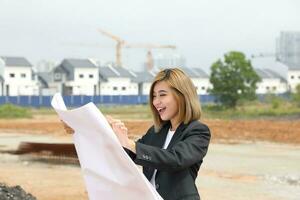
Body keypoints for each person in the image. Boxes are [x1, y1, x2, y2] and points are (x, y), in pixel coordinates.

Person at [63, 68, 211, 200]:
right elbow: (129, 154)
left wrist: (130, 143)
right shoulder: (156, 131)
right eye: (154, 96)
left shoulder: (198, 131)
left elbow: (175, 159)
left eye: (162, 95)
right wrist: (89, 127)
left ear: (182, 96)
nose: (156, 102)